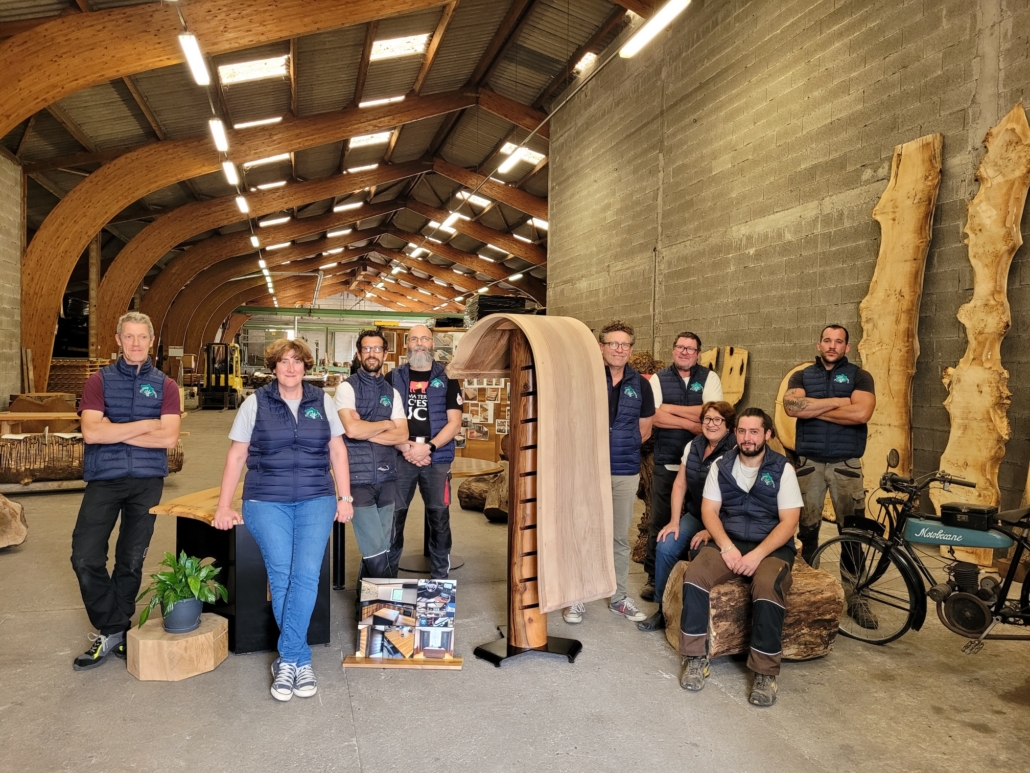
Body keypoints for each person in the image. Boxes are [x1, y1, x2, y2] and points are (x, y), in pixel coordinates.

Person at [213, 338, 352, 702]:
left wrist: (345, 497)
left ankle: (288, 659)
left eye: (297, 361)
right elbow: (236, 455)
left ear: (306, 367)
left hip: (316, 497)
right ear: (273, 367)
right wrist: (224, 505)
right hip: (265, 499)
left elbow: (337, 451)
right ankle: (298, 658)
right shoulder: (255, 403)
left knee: (305, 574)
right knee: (282, 575)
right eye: (284, 361)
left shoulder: (322, 401)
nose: (291, 368)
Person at [70, 311, 181, 671]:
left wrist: (115, 427)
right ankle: (115, 624)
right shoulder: (98, 381)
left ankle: (113, 633)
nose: (135, 343)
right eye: (129, 336)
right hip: (104, 477)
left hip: (147, 481)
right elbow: (91, 433)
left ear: (151, 341)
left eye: (142, 337)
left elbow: (169, 438)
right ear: (118, 340)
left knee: (131, 559)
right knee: (85, 556)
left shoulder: (166, 386)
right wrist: (147, 423)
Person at [676, 408, 801, 706]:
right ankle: (694, 657)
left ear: (767, 434)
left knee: (768, 587)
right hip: (729, 540)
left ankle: (765, 673)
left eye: (754, 431)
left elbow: (789, 521)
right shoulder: (721, 466)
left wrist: (757, 555)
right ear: (735, 433)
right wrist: (727, 547)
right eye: (742, 431)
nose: (747, 438)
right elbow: (709, 510)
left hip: (770, 547)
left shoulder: (782, 469)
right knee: (694, 576)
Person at [783, 324, 876, 627]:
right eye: (827, 340)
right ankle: (809, 592)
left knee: (852, 534)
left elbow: (861, 413)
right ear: (819, 344)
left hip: (846, 466)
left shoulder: (860, 376)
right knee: (807, 531)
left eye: (838, 341)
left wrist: (813, 408)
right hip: (809, 465)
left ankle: (857, 597)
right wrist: (840, 402)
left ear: (847, 347)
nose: (832, 346)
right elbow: (792, 407)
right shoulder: (801, 376)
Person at [564, 321, 654, 625]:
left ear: (631, 349)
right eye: (613, 344)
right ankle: (577, 597)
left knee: (618, 538)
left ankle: (618, 598)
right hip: (588, 470)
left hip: (624, 470)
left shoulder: (640, 384)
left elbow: (645, 428)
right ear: (601, 347)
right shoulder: (585, 378)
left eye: (625, 344)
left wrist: (620, 445)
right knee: (584, 532)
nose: (619, 349)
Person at [638, 401, 737, 632]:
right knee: (666, 544)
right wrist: (674, 521)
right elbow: (680, 484)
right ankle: (663, 609)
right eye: (707, 419)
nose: (711, 424)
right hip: (696, 513)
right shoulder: (693, 445)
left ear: (728, 426)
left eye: (718, 420)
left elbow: (737, 497)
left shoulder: (735, 450)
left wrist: (711, 529)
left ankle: (698, 618)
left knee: (701, 552)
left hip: (726, 519)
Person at [643, 333, 723, 602]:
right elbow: (653, 416)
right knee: (660, 520)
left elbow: (712, 411)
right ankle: (654, 577)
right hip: (668, 460)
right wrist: (691, 423)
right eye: (680, 347)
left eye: (691, 348)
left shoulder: (710, 378)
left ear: (698, 353)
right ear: (673, 350)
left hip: (702, 466)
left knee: (699, 517)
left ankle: (692, 575)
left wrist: (668, 408)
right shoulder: (658, 379)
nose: (685, 352)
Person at [386, 325, 463, 579]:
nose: (419, 343)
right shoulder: (392, 378)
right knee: (393, 519)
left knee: (439, 519)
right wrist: (406, 446)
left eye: (425, 339)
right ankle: (387, 580)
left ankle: (440, 580)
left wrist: (428, 447)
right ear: (407, 344)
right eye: (414, 339)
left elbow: (454, 423)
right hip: (400, 457)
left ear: (433, 344)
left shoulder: (448, 377)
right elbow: (383, 419)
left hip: (436, 458)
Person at [334, 329, 409, 579]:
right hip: (358, 478)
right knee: (375, 549)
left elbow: (402, 435)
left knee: (383, 546)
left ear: (385, 354)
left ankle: (365, 600)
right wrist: (387, 424)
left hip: (387, 477)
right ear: (359, 354)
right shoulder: (347, 389)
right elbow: (351, 430)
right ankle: (388, 598)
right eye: (366, 349)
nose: (371, 353)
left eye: (377, 349)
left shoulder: (392, 393)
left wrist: (364, 428)